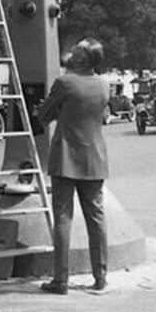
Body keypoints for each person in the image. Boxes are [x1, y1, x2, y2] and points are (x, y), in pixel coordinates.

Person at [37, 39, 110, 295]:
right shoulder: (104, 84)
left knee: (63, 219)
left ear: (81, 59)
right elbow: (99, 116)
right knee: (96, 218)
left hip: (66, 159)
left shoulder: (64, 82)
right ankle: (100, 277)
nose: (71, 52)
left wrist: (58, 113)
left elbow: (43, 114)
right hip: (94, 159)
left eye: (76, 50)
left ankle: (61, 279)